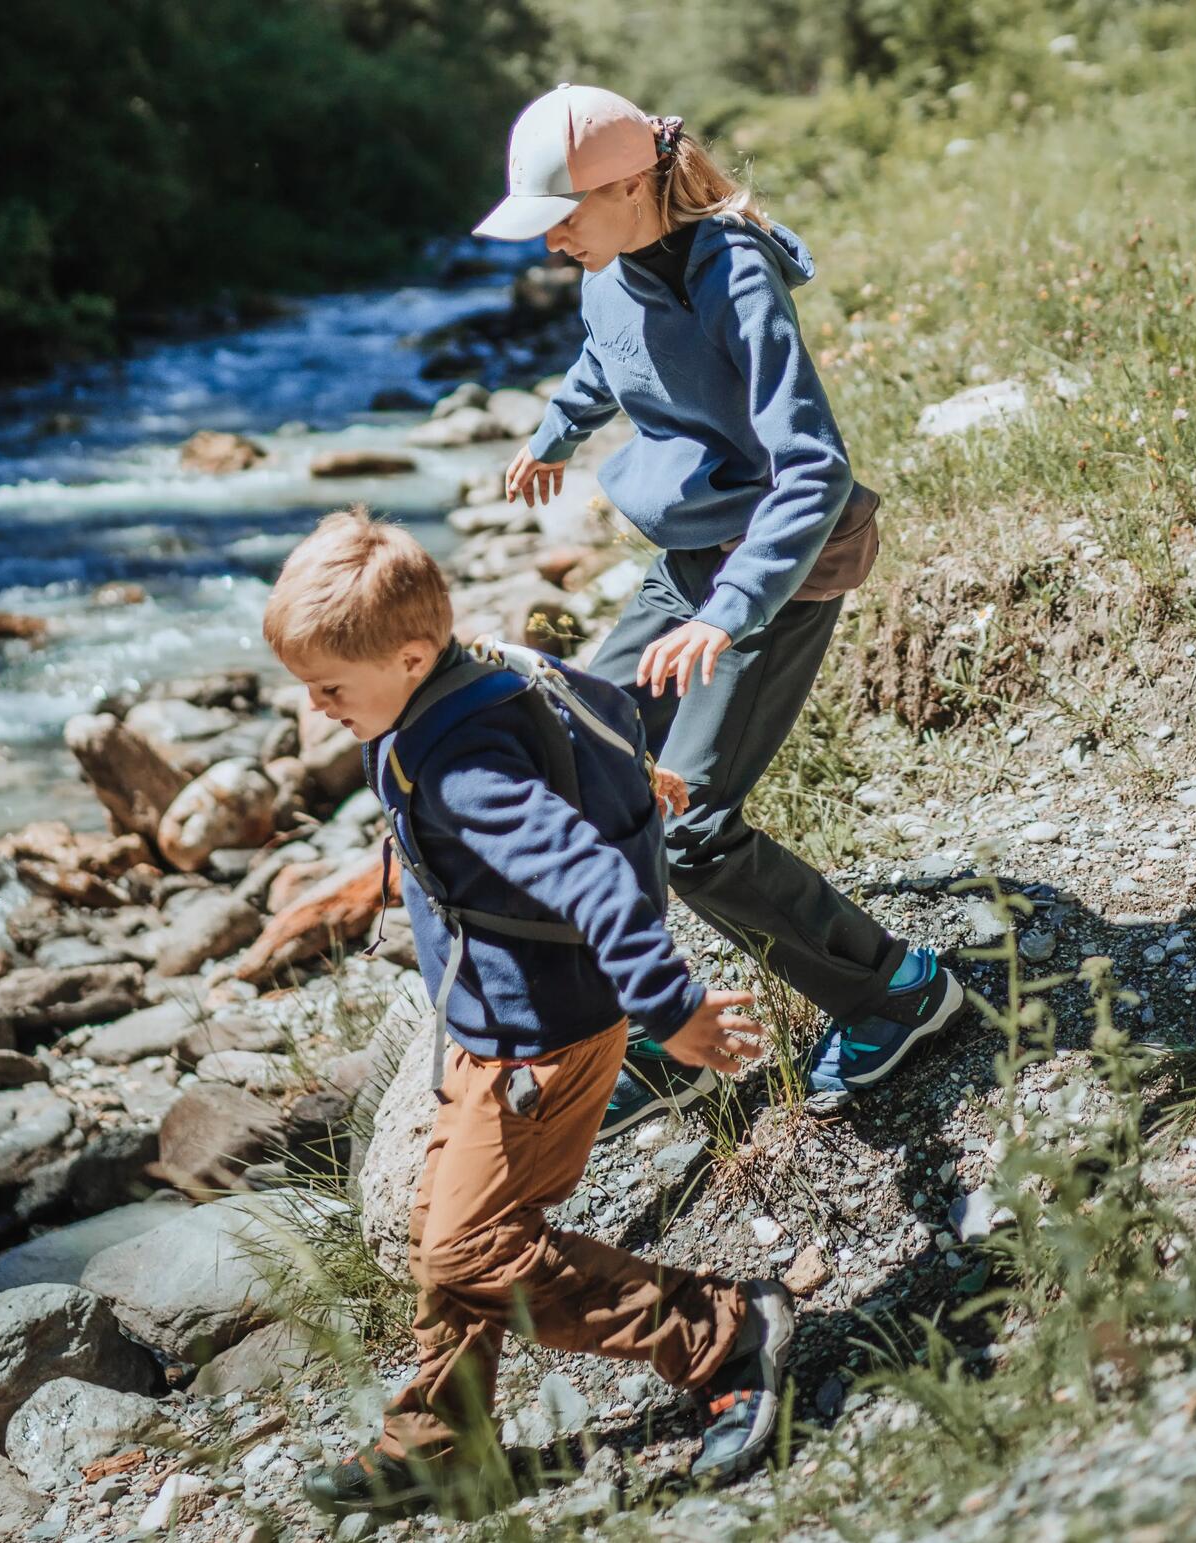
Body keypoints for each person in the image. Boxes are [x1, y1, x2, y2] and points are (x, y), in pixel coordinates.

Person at [262, 509, 795, 1516]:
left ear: (409, 656)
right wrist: (640, 775)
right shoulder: (469, 671)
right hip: (489, 1026)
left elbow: (591, 874)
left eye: (328, 686)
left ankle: (723, 1331)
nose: (316, 706)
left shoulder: (464, 768)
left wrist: (670, 1005)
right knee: (449, 1232)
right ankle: (437, 1440)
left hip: (540, 1040)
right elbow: (593, 703)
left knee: (472, 1250)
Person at [472, 83, 966, 1136]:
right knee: (584, 749)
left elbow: (815, 468)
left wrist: (730, 610)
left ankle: (900, 992)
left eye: (563, 215)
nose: (552, 239)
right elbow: (606, 357)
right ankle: (664, 1025)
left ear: (627, 184)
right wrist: (557, 431)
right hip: (692, 561)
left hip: (777, 568)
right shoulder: (604, 268)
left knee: (692, 828)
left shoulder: (731, 271)